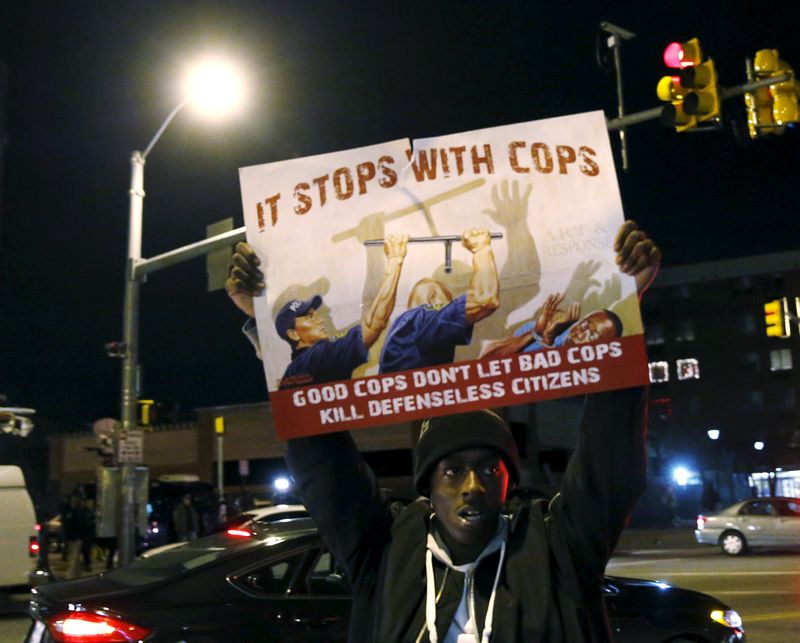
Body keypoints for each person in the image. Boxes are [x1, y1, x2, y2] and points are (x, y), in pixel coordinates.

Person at [227, 220, 659, 641]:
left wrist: (627, 301)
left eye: (491, 469)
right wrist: (263, 323)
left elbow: (611, 463)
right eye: (452, 471)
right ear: (427, 487)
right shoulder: (385, 552)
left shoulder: (557, 549)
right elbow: (322, 460)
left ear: (511, 479)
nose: (473, 486)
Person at [228, 233, 409, 389]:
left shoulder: (294, 369)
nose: (320, 318)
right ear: (293, 334)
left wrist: (259, 315)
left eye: (315, 313)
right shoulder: (319, 357)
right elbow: (374, 321)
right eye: (308, 316)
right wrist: (395, 261)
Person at [379, 228, 500, 373]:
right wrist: (481, 250)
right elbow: (484, 300)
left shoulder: (404, 325)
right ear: (433, 298)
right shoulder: (423, 319)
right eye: (449, 303)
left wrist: (395, 261)